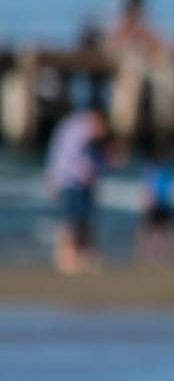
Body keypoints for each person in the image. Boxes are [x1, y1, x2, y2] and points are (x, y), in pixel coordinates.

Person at [43, 106, 124, 274]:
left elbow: (96, 163)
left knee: (85, 221)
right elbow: (67, 160)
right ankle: (66, 259)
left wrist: (107, 161)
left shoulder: (89, 135)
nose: (104, 131)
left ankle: (83, 257)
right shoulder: (76, 131)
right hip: (70, 182)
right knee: (72, 222)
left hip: (82, 183)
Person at [134, 143, 174, 268]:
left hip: (157, 204)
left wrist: (147, 201)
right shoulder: (162, 169)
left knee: (152, 232)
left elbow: (147, 188)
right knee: (162, 233)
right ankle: (160, 260)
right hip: (161, 203)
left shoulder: (152, 169)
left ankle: (148, 259)